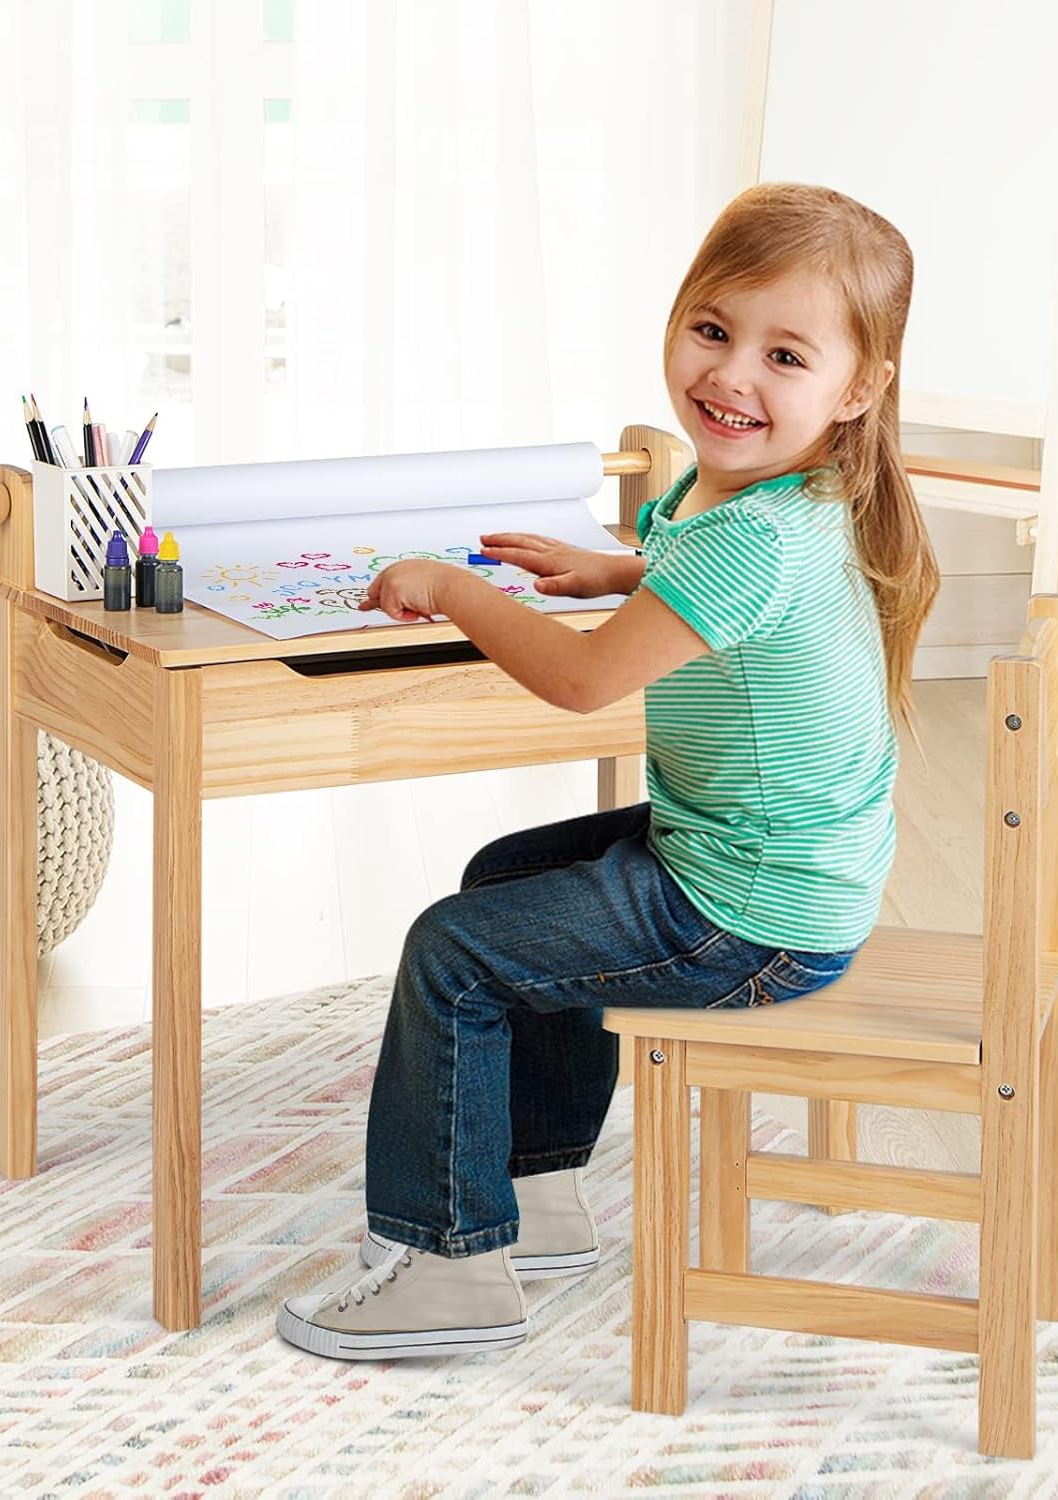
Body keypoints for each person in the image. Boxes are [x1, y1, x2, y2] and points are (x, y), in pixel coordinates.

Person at [277, 182, 939, 1361]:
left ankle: (448, 1266)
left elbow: (584, 687)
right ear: (678, 317)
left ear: (859, 388)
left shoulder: (751, 534)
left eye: (785, 355)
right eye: (714, 330)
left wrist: (453, 588)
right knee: (504, 877)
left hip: (752, 913)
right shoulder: (758, 492)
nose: (733, 377)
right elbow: (708, 580)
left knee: (451, 949)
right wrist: (620, 572)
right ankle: (535, 1198)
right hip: (770, 863)